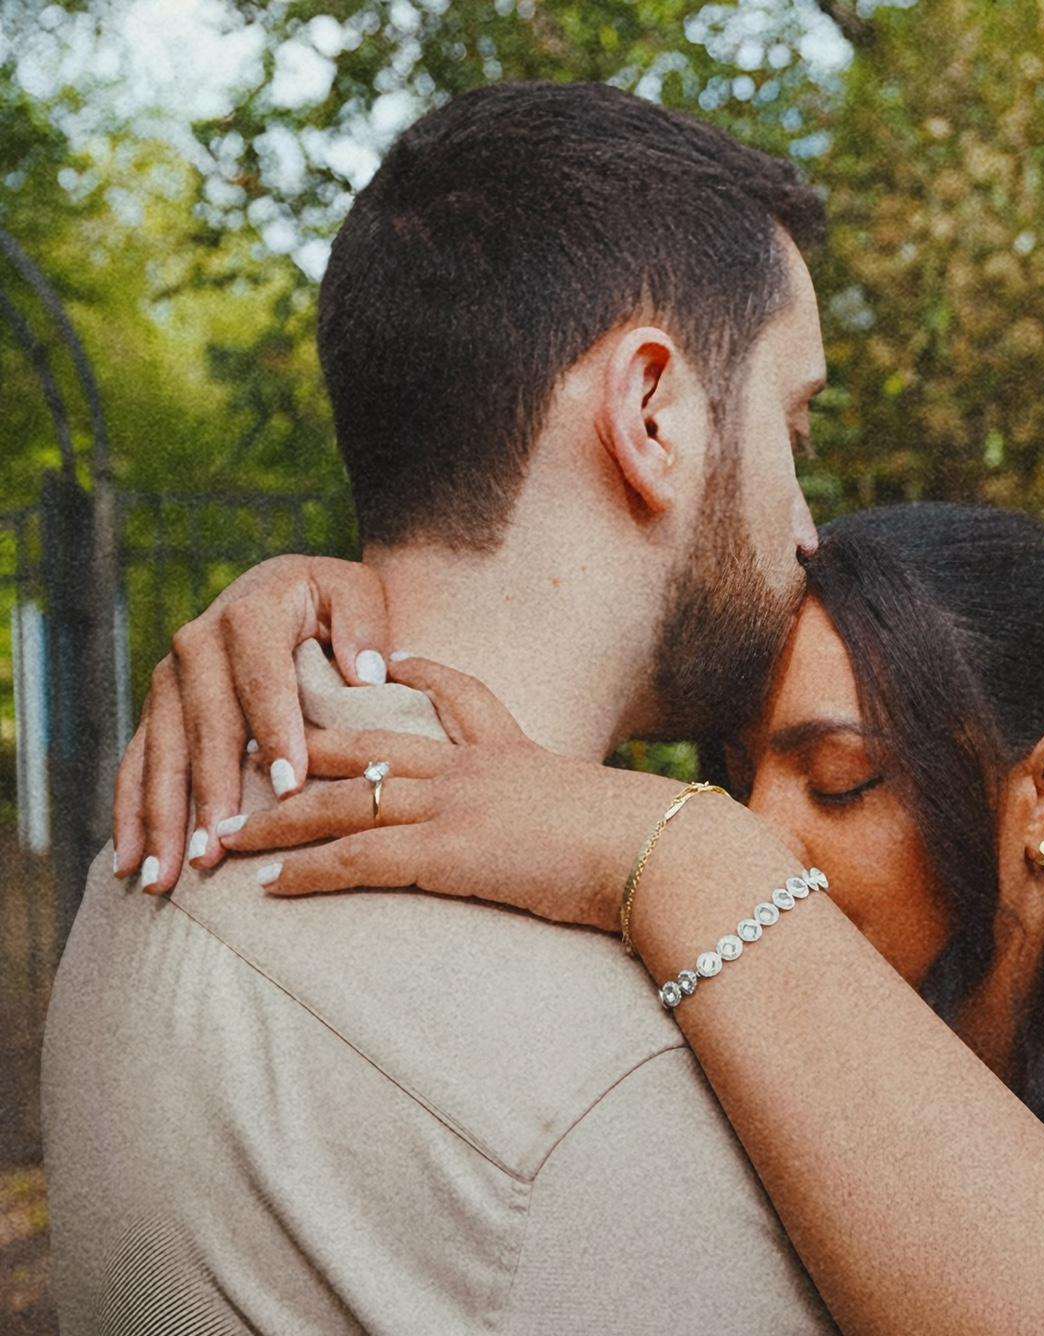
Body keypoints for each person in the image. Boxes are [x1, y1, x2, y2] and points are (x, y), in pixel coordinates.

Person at [119, 502, 1044, 1334]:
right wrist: (318, 619)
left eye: (841, 778)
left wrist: (683, 852)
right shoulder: (764, 1053)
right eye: (731, 776)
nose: (757, 828)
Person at [41, 80, 838, 1333]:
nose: (806, 528)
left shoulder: (157, 842)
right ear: (650, 415)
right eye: (795, 427)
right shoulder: (607, 1103)